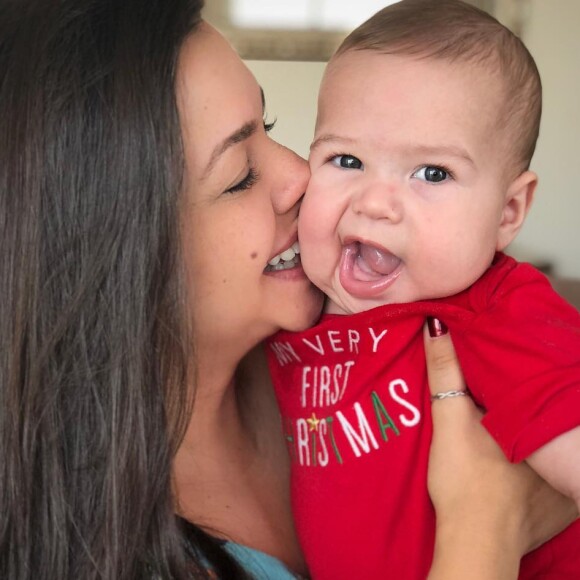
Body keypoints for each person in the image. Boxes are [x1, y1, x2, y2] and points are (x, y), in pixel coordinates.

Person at [0, 1, 575, 579]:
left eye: (270, 129)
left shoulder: (440, 314)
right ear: (113, 251)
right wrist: (483, 528)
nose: (302, 175)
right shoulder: (95, 547)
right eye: (239, 177)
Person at [266, 0, 580, 579]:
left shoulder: (496, 308)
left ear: (509, 212)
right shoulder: (292, 303)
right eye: (347, 158)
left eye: (432, 173)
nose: (376, 203)